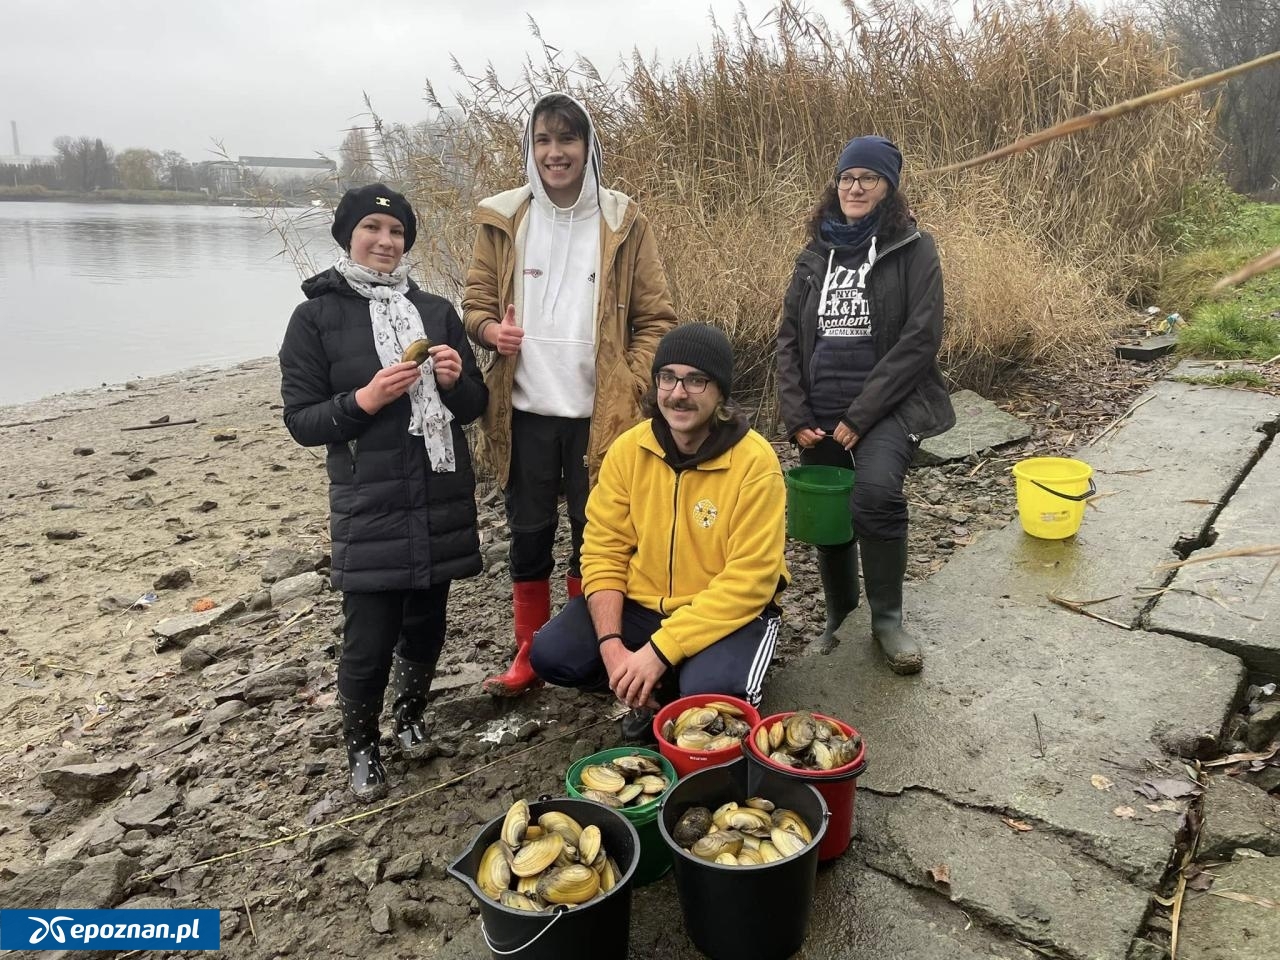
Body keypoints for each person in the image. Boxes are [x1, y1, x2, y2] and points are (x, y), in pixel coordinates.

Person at [463, 91, 677, 699]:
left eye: (567, 139)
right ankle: (529, 651)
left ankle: (584, 645)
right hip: (524, 411)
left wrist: (630, 382)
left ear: (589, 148)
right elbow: (475, 302)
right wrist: (488, 332)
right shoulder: (502, 218)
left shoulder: (623, 220)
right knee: (527, 534)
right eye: (543, 140)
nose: (555, 153)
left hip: (598, 416)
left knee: (596, 534)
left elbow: (657, 319)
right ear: (531, 149)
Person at [279, 183, 488, 801]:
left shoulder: (436, 310)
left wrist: (453, 383)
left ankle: (411, 716)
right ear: (348, 234)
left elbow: (473, 406)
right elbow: (302, 421)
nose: (385, 241)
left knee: (427, 621)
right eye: (373, 228)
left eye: (397, 232)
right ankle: (362, 744)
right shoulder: (316, 316)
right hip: (368, 500)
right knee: (369, 633)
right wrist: (365, 400)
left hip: (438, 491)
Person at [530, 324, 789, 736]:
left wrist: (659, 651)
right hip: (643, 604)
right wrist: (613, 648)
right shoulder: (628, 451)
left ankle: (678, 683)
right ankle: (657, 693)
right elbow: (602, 552)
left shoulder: (755, 463)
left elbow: (751, 581)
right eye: (667, 377)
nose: (677, 392)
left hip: (728, 614)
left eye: (696, 380)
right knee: (551, 655)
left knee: (715, 700)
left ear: (720, 391)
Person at [776, 136, 955, 674]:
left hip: (887, 408)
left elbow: (921, 338)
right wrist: (797, 415)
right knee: (830, 515)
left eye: (868, 179)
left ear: (888, 188)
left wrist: (861, 415)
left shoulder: (914, 247)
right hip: (820, 411)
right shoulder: (814, 254)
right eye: (847, 178)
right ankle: (841, 613)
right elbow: (787, 339)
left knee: (875, 495)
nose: (854, 188)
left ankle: (887, 620)